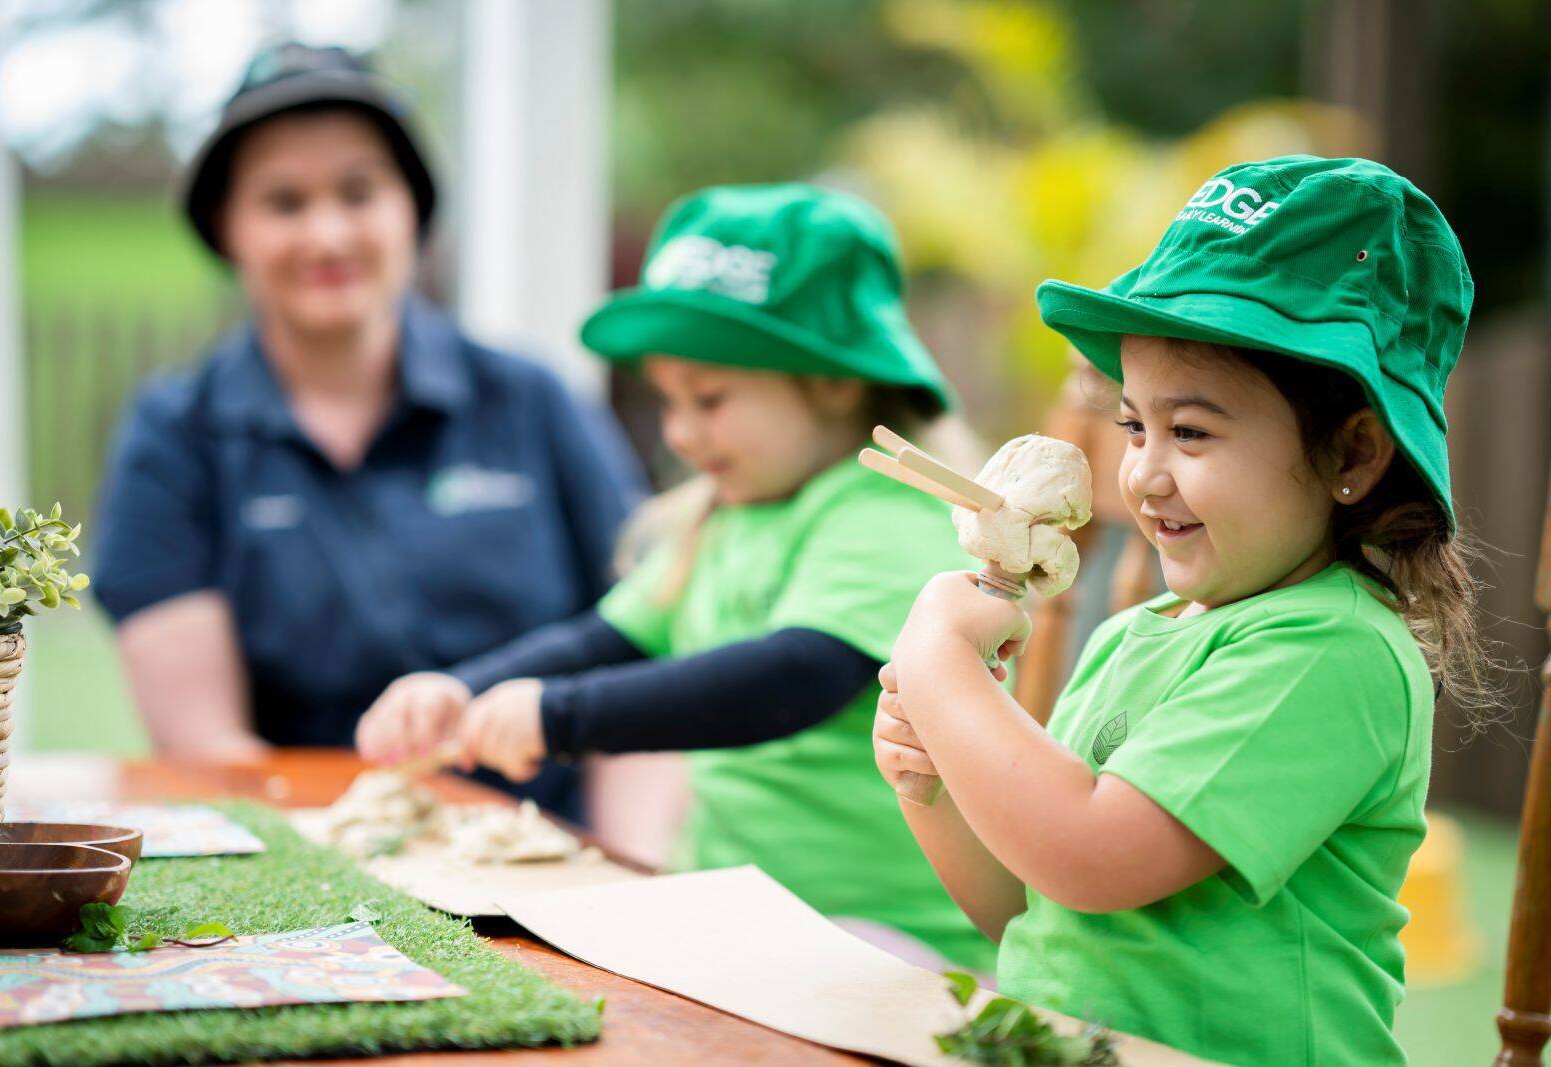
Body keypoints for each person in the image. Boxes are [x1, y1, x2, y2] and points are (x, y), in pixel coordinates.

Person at [874, 156, 1494, 1064]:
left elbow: (1090, 854)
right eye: (1133, 426)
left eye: (1191, 431)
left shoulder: (1332, 649)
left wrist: (940, 661)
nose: (1144, 473)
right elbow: (1026, 898)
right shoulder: (1137, 635)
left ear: (1352, 450)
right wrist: (932, 783)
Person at [357, 182, 994, 969]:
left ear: (834, 380)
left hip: (890, 940)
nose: (682, 433)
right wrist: (464, 688)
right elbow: (610, 637)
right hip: (740, 913)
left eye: (711, 398)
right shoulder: (723, 515)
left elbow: (798, 675)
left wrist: (560, 717)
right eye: (669, 400)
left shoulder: (888, 512)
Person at [91, 43, 642, 819]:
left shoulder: (532, 401)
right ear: (227, 228)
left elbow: (646, 649)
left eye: (359, 191)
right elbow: (207, 748)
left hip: (543, 851)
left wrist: (620, 881)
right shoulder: (175, 436)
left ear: (412, 208)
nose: (327, 234)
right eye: (284, 202)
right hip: (311, 861)